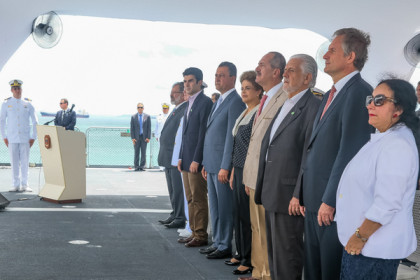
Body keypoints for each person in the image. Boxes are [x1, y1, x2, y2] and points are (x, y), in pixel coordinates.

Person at [299, 28, 374, 279]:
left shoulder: (360, 93)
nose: (325, 56)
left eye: (332, 50)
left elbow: (349, 151)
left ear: (350, 56)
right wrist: (302, 193)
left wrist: (330, 200)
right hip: (314, 199)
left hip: (332, 205)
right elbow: (314, 148)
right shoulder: (332, 93)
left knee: (328, 270)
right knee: (312, 270)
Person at [336, 78, 419, 279]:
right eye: (371, 99)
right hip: (365, 246)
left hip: (372, 249)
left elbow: (387, 203)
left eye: (379, 100)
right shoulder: (386, 137)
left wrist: (359, 237)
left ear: (398, 109)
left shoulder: (397, 144)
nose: (370, 105)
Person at [254, 54, 321, 279]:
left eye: (291, 70)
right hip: (273, 191)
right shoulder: (287, 102)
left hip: (289, 196)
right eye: (286, 70)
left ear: (307, 78)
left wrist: (298, 194)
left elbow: (308, 155)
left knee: (287, 257)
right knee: (275, 257)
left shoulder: (313, 106)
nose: (285, 74)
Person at [241, 52, 288, 280]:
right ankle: (258, 272)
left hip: (267, 178)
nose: (257, 68)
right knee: (256, 228)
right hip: (254, 176)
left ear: (276, 72)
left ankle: (267, 275)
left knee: (266, 231)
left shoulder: (284, 97)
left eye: (262, 65)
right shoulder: (266, 99)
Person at [201, 62, 246, 259]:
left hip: (221, 166)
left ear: (232, 78)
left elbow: (231, 137)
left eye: (222, 75)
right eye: (216, 75)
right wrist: (205, 162)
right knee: (215, 207)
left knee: (225, 207)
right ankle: (218, 241)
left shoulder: (235, 101)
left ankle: (225, 244)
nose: (217, 78)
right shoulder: (219, 100)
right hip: (211, 163)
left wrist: (225, 166)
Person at [227, 70, 262, 276]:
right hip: (237, 168)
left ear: (259, 91)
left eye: (248, 88)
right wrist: (233, 170)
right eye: (242, 88)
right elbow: (236, 146)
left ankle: (249, 259)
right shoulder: (245, 112)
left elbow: (252, 148)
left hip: (248, 170)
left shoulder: (258, 112)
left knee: (247, 216)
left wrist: (246, 174)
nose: (244, 92)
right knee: (237, 213)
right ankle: (241, 252)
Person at [177, 67, 213, 248]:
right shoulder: (190, 102)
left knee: (198, 198)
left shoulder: (205, 103)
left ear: (200, 82)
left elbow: (202, 133)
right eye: (185, 81)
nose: (187, 84)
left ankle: (200, 234)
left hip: (195, 161)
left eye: (190, 81)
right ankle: (193, 231)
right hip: (186, 159)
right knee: (190, 198)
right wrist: (181, 157)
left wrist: (197, 160)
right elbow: (186, 134)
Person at [157, 82, 188, 228]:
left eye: (175, 92)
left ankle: (180, 216)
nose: (171, 95)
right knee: (172, 189)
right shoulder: (177, 109)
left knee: (177, 189)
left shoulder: (184, 109)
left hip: (175, 157)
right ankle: (175, 212)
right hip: (168, 156)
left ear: (183, 94)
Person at [0, 79, 37, 192]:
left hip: (25, 138)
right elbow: (1, 120)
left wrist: (33, 137)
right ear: (12, 90)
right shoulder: (6, 103)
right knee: (14, 162)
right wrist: (4, 137)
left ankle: (25, 184)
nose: (17, 90)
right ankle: (15, 184)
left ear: (21, 89)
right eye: (15, 89)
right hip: (12, 138)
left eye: (19, 88)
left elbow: (35, 121)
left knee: (25, 162)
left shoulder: (28, 103)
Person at [130, 102, 151, 171]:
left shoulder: (147, 117)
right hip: (136, 137)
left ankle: (142, 166)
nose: (140, 109)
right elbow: (132, 128)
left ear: (143, 108)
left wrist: (148, 137)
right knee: (136, 152)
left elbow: (149, 128)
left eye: (141, 107)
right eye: (139, 107)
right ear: (137, 108)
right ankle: (136, 166)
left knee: (143, 152)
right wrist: (132, 138)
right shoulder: (133, 117)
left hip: (144, 137)